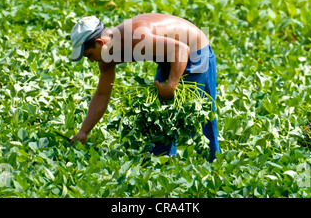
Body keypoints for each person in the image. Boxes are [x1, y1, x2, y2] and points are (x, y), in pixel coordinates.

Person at [69, 13, 220, 161]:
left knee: (197, 112)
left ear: (100, 43)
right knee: (160, 114)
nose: (90, 61)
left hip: (195, 50)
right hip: (169, 56)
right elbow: (102, 94)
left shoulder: (133, 37)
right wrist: (83, 131)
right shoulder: (106, 58)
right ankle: (160, 160)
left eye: (89, 55)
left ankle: (212, 162)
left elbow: (180, 49)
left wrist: (171, 86)